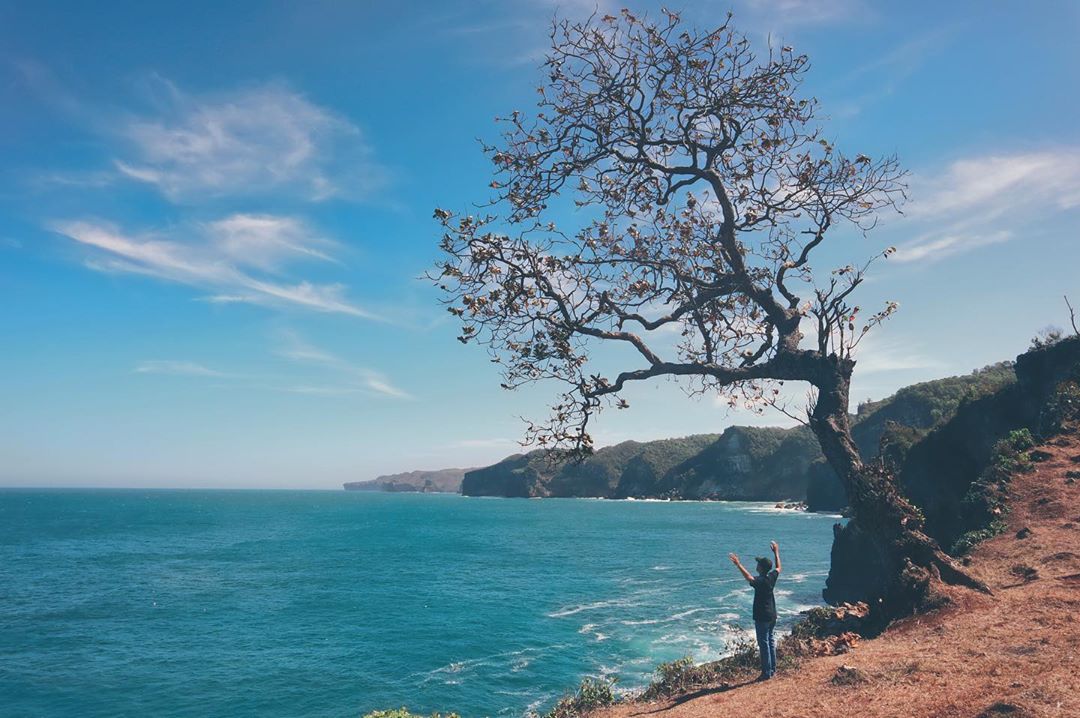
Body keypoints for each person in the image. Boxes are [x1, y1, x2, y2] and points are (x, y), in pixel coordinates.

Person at [729, 540, 781, 681]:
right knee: (770, 641)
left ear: (761, 568)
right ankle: (772, 670)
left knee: (764, 644)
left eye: (758, 564)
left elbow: (749, 578)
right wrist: (776, 552)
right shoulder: (771, 578)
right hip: (772, 615)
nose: (756, 565)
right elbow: (778, 567)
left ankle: (766, 673)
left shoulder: (761, 581)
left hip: (762, 617)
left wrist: (738, 564)